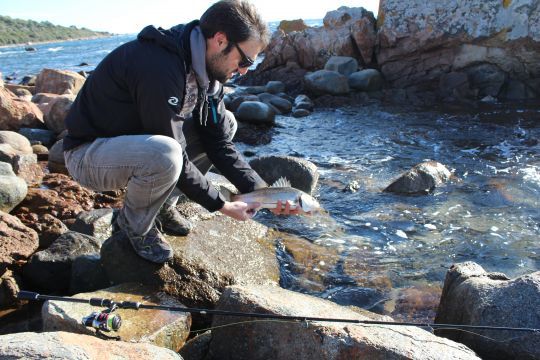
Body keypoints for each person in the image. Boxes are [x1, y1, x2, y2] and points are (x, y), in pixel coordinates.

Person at [63, 0, 296, 264]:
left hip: (138, 145)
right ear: (220, 40)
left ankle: (162, 207)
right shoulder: (159, 67)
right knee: (166, 154)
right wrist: (221, 205)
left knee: (226, 123)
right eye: (245, 60)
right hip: (89, 154)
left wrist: (263, 193)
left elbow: (217, 142)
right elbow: (172, 149)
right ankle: (133, 227)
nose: (244, 70)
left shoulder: (209, 76)